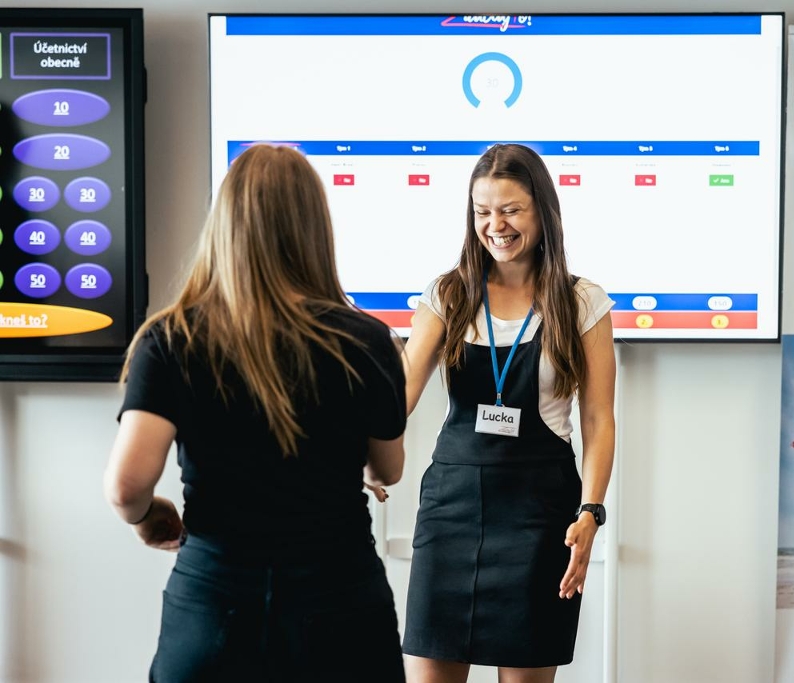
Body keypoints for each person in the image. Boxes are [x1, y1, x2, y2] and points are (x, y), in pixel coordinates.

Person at [103, 144, 408, 681]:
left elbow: (127, 487)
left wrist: (148, 519)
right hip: (340, 604)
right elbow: (386, 469)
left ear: (225, 226)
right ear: (314, 229)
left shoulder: (172, 338)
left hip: (215, 604)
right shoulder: (367, 340)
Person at [401, 143, 616, 683]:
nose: (495, 226)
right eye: (482, 212)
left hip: (539, 517)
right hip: (450, 513)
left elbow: (598, 419)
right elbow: (399, 395)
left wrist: (590, 512)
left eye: (511, 210)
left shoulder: (581, 301)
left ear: (543, 211)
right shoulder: (448, 294)